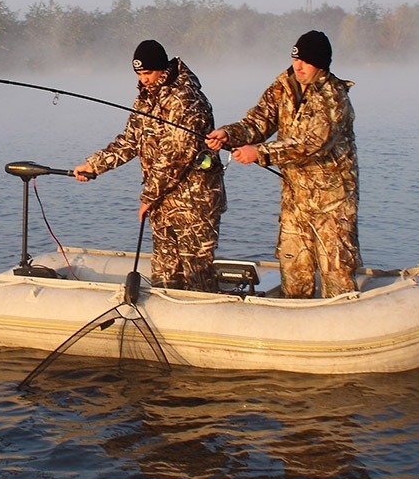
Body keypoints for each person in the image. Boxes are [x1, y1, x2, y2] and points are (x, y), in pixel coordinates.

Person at [204, 30, 360, 298]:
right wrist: (229, 134)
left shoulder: (335, 98)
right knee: (294, 275)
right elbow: (257, 122)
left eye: (305, 61)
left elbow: (312, 144)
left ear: (321, 64)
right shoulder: (283, 87)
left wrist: (259, 153)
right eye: (295, 58)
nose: (298, 66)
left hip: (333, 206)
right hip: (294, 202)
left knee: (337, 278)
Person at [73, 39, 226, 291]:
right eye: (139, 74)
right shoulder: (145, 99)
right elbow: (130, 140)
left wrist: (148, 195)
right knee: (164, 276)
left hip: (195, 205)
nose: (144, 80)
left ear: (163, 69)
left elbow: (176, 155)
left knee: (197, 277)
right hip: (163, 205)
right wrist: (93, 164)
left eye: (148, 73)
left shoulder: (186, 99)